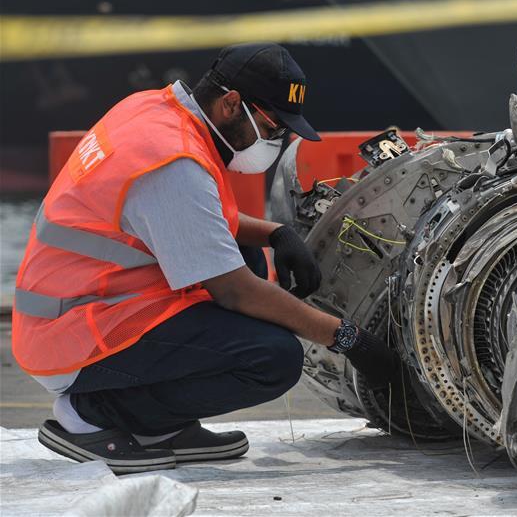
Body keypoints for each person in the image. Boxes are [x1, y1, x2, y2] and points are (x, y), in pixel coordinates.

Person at [12, 43, 397, 474]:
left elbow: (200, 219)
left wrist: (276, 233)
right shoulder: (170, 161)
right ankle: (94, 414)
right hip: (76, 337)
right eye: (271, 127)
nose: (275, 140)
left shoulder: (153, 110)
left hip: (82, 303)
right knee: (271, 358)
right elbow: (233, 291)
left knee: (248, 255)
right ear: (232, 103)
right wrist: (347, 339)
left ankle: (160, 425)